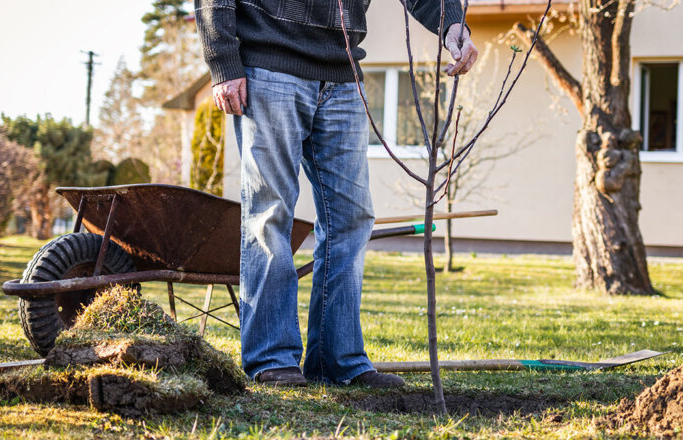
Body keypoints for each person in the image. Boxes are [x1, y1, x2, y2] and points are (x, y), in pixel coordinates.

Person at [194, 0, 478, 388]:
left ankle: (337, 360)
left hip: (344, 74)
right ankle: (272, 357)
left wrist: (452, 24)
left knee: (352, 219)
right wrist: (223, 61)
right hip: (269, 64)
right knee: (271, 213)